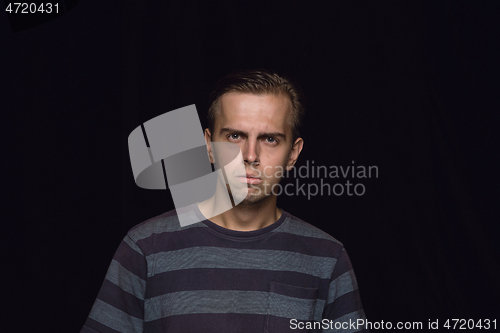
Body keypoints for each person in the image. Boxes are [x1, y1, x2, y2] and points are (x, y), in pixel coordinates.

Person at [81, 69, 368, 332]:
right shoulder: (146, 248)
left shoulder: (327, 259)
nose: (250, 155)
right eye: (234, 136)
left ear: (293, 154)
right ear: (208, 145)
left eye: (269, 139)